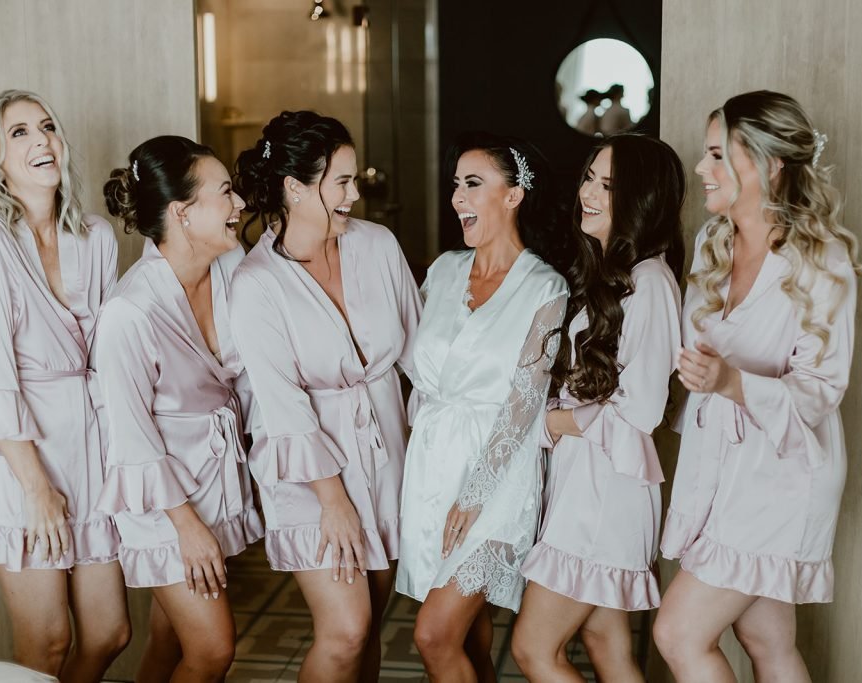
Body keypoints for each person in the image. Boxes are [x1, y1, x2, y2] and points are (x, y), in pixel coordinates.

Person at [653, 90, 862, 682]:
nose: (702, 169)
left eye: (717, 155)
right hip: (722, 466)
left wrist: (730, 381)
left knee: (677, 634)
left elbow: (821, 388)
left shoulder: (820, 261)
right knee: (766, 636)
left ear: (769, 162)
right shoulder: (712, 244)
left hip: (781, 475)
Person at [0, 89, 129, 680]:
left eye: (46, 126)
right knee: (46, 643)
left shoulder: (95, 236)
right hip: (21, 460)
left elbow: (111, 355)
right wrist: (38, 490)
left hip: (91, 451)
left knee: (109, 632)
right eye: (18, 132)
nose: (41, 139)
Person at [230, 111, 422, 683]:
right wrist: (333, 500)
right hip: (308, 472)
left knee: (371, 628)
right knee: (345, 632)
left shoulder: (378, 245)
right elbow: (282, 403)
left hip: (386, 450)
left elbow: (420, 352)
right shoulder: (256, 283)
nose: (354, 194)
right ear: (294, 187)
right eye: (341, 181)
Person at [512, 134, 686, 682]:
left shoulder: (651, 282)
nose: (588, 192)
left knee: (534, 650)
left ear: (641, 200)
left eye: (608, 186)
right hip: (586, 480)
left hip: (605, 492)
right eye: (590, 177)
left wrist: (551, 423)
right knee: (606, 645)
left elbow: (643, 410)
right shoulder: (609, 274)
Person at [397, 132, 570, 682]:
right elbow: (419, 375)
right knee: (469, 634)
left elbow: (524, 404)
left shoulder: (546, 286)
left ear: (513, 195)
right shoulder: (443, 271)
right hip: (433, 461)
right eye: (455, 186)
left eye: (473, 184)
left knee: (433, 634)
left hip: (499, 478)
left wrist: (473, 496)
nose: (457, 199)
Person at [97, 135, 262, 682]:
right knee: (213, 649)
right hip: (161, 501)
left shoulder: (231, 266)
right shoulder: (129, 313)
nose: (239, 204)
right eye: (225, 193)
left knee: (170, 642)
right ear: (183, 213)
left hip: (212, 478)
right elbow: (132, 438)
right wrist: (186, 525)